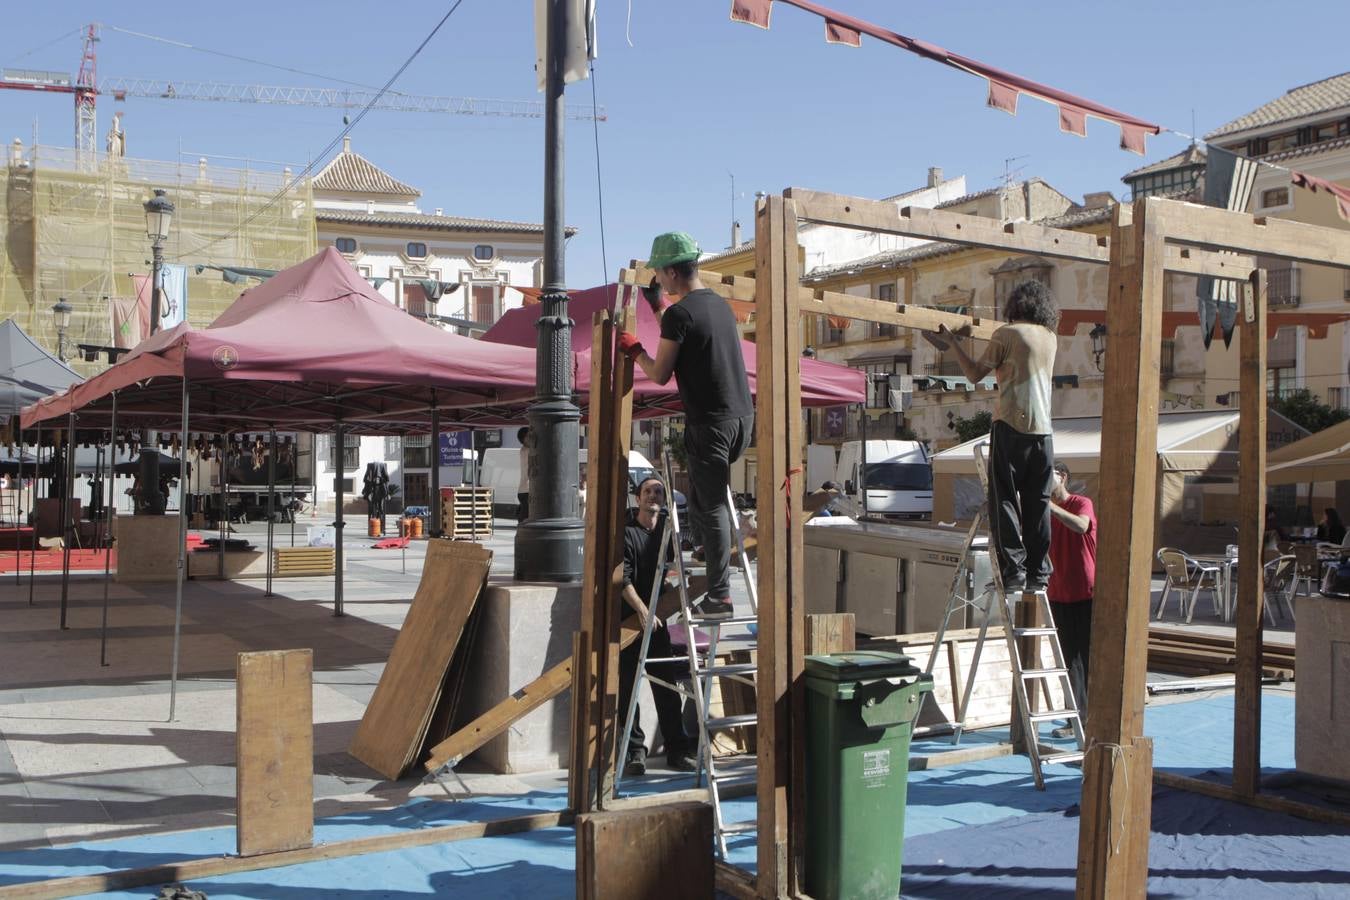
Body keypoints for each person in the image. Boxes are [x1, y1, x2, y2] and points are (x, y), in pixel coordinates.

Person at [619, 231, 754, 619]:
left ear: (672, 272)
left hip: (709, 423)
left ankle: (720, 596)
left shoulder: (682, 313)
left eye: (660, 275)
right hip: (739, 419)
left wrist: (634, 350)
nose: (658, 280)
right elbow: (682, 333)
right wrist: (657, 306)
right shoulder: (718, 307)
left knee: (709, 506)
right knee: (701, 494)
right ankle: (710, 548)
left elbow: (661, 373)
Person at [938, 280, 1058, 592]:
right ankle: (1038, 574)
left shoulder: (1007, 333)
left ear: (1014, 306)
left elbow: (974, 374)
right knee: (1038, 503)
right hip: (1044, 433)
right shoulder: (1050, 337)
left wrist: (953, 342)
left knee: (1003, 498)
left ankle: (1013, 572)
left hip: (1010, 425)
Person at [618, 475, 697, 776]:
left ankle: (677, 749)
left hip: (658, 621)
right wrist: (641, 611)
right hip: (630, 621)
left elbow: (670, 568)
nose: (654, 495)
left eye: (659, 492)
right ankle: (634, 752)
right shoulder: (626, 533)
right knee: (628, 688)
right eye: (648, 491)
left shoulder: (666, 531)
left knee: (666, 687)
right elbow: (621, 578)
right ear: (638, 498)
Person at [1047, 462, 1096, 738]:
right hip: (1058, 593)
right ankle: (1075, 718)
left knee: (1087, 657)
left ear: (1062, 477)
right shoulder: (1045, 511)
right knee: (1068, 661)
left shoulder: (1081, 502)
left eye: (1048, 475)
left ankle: (1092, 718)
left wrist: (1048, 506)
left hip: (1085, 592)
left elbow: (1081, 526)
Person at [516, 426, 530, 523]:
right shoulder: (526, 451)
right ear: (524, 439)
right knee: (525, 519)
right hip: (526, 490)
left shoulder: (524, 450)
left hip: (525, 490)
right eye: (529, 436)